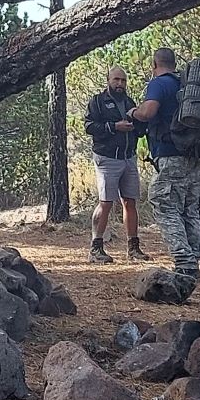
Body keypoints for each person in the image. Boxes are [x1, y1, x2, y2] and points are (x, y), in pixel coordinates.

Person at [122, 44, 200, 301]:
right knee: (190, 209)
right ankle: (193, 263)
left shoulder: (159, 84)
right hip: (195, 156)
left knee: (165, 206)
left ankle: (184, 263)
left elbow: (148, 112)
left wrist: (133, 112)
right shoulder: (188, 85)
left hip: (169, 156)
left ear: (154, 64)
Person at [83, 65, 147, 264]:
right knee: (106, 202)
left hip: (128, 157)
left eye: (123, 80)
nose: (120, 84)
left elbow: (139, 128)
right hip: (107, 158)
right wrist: (114, 127)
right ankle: (96, 247)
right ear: (108, 81)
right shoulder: (98, 102)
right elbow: (89, 126)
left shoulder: (129, 102)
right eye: (116, 80)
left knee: (130, 202)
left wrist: (138, 124)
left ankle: (133, 248)